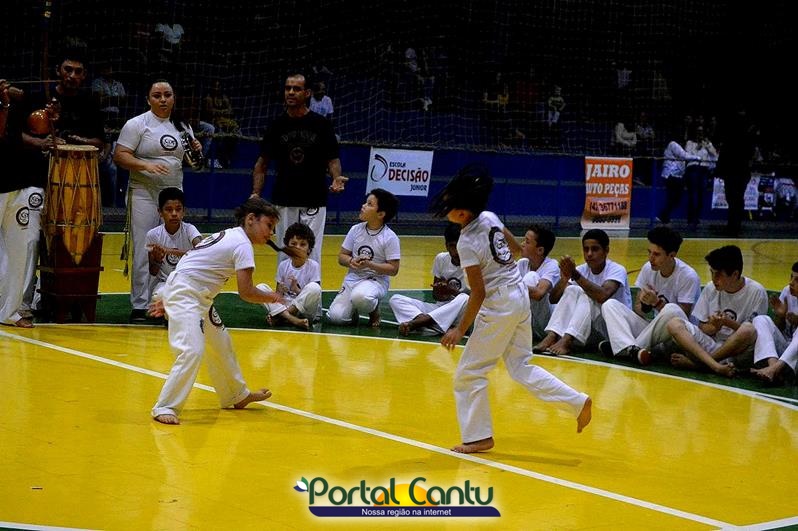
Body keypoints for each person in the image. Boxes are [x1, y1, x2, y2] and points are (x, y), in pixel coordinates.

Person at [430, 164, 591, 454]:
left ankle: (478, 437)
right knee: (520, 366)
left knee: (469, 373)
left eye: (449, 206)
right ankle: (577, 402)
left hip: (499, 304)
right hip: (518, 294)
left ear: (462, 213)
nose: (446, 210)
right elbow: (517, 249)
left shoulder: (466, 242)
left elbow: (478, 292)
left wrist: (459, 329)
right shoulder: (490, 217)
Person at [147, 197, 285, 425]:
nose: (271, 233)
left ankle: (236, 395)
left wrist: (170, 294)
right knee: (192, 350)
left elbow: (192, 258)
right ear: (251, 219)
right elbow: (246, 292)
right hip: (188, 295)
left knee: (221, 344)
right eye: (269, 225)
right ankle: (165, 406)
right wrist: (273, 297)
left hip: (194, 295)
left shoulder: (231, 235)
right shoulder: (242, 245)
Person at [20, 51, 106, 320]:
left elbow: (100, 142)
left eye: (78, 72)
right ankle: (23, 301)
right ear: (58, 70)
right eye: (68, 69)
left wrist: (77, 140)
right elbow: (16, 134)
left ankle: (65, 298)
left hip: (74, 190)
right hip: (35, 180)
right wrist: (41, 143)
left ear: (84, 75)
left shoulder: (90, 103)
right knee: (30, 241)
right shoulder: (38, 97)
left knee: (68, 245)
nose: (72, 75)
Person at [114, 79, 203, 322]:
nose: (163, 99)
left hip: (173, 195)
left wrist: (197, 150)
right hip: (143, 192)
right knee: (145, 247)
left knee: (173, 248)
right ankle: (140, 305)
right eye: (157, 95)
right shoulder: (137, 124)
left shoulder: (182, 126)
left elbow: (195, 163)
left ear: (174, 98)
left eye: (167, 95)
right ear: (148, 99)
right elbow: (119, 155)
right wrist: (145, 165)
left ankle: (167, 301)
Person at [250, 73, 347, 268]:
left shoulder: (321, 124)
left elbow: (333, 159)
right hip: (284, 197)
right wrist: (256, 193)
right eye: (288, 88)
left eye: (296, 89)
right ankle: (284, 288)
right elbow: (262, 164)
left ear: (307, 93)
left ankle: (311, 288)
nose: (291, 92)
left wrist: (336, 178)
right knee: (285, 251)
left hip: (314, 197)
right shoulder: (277, 125)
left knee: (312, 252)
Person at [599, 226, 701, 364]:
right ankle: (631, 349)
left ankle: (625, 347)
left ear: (671, 255)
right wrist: (645, 304)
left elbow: (683, 317)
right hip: (654, 333)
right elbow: (638, 310)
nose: (651, 258)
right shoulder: (648, 268)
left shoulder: (688, 276)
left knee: (672, 309)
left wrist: (656, 303)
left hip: (680, 338)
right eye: (649, 252)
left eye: (657, 254)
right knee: (610, 305)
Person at [666, 245, 767, 377]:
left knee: (748, 329)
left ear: (735, 274)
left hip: (739, 352)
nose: (714, 279)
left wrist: (728, 322)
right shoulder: (710, 288)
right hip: (713, 346)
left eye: (719, 274)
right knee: (674, 323)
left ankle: (699, 365)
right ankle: (714, 366)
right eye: (712, 272)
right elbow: (702, 328)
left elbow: (754, 335)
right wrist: (714, 327)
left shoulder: (757, 292)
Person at [534, 229, 632, 356]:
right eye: (586, 249)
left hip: (612, 331)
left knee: (587, 294)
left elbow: (602, 296)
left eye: (595, 249)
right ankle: (553, 335)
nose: (589, 254)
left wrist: (575, 275)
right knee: (572, 289)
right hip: (588, 330)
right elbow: (553, 299)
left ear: (606, 250)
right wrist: (564, 280)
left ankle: (567, 340)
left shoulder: (617, 269)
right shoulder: (581, 269)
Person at [327, 188, 400, 327]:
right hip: (353, 278)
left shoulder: (390, 237)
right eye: (366, 202)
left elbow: (393, 269)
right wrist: (350, 261)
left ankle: (373, 310)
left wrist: (370, 265)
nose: (363, 206)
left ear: (381, 214)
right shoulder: (355, 230)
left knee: (361, 296)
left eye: (369, 204)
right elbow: (341, 257)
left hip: (376, 281)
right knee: (336, 318)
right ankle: (352, 311)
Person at [0, 78, 39, 328]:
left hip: (18, 185)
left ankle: (10, 312)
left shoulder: (13, 106)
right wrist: (4, 104)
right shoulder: (4, 108)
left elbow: (38, 125)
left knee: (18, 251)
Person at [390, 222, 469, 336]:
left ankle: (421, 323)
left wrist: (452, 291)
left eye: (459, 246)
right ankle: (429, 323)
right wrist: (441, 291)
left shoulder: (474, 263)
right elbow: (436, 296)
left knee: (465, 298)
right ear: (446, 246)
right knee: (396, 299)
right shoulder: (441, 259)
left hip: (462, 314)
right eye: (452, 246)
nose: (456, 251)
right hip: (440, 309)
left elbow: (476, 300)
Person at [256, 222, 322, 330]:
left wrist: (296, 290)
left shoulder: (313, 266)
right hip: (284, 305)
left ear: (309, 250)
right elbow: (278, 295)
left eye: (302, 244)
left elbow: (313, 296)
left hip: (304, 311)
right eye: (293, 244)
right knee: (260, 288)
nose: (298, 248)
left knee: (315, 288)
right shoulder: (283, 265)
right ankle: (293, 320)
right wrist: (281, 291)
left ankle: (281, 317)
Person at [145, 187, 203, 298]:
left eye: (178, 209)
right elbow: (153, 272)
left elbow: (203, 251)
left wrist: (168, 251)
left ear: (184, 211)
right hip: (165, 283)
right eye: (169, 209)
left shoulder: (190, 229)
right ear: (160, 212)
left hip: (189, 281)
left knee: (203, 293)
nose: (174, 213)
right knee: (158, 296)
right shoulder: (152, 235)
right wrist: (157, 260)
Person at [750, 261, 798, 384]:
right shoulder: (788, 291)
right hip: (784, 353)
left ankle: (773, 370)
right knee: (760, 319)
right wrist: (780, 316)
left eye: (797, 280)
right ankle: (773, 367)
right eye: (791, 277)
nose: (791, 283)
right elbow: (779, 328)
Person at [715, 107, 756, 235]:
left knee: (735, 198)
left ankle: (735, 225)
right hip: (734, 171)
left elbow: (750, 154)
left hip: (738, 171)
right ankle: (734, 224)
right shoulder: (732, 137)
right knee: (733, 198)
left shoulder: (746, 138)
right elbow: (724, 153)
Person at [92, 63, 128, 207]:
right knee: (109, 169)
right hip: (103, 118)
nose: (108, 70)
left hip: (116, 120)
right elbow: (98, 101)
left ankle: (114, 203)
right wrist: (112, 99)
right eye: (105, 68)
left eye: (110, 68)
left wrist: (108, 98)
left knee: (115, 169)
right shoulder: (97, 83)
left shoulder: (119, 84)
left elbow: (123, 101)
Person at [516, 224, 560, 339]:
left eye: (527, 242)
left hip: (545, 324)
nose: (522, 244)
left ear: (540, 250)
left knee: (531, 277)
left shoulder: (552, 266)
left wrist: (511, 286)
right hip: (528, 322)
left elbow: (539, 293)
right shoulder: (522, 263)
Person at [657, 138, 701, 224]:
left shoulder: (679, 145)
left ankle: (664, 216)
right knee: (673, 198)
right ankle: (663, 216)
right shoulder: (673, 144)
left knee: (676, 198)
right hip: (671, 175)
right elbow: (683, 155)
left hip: (677, 176)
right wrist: (697, 158)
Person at [201, 80, 240, 169]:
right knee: (219, 133)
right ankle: (215, 159)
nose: (216, 89)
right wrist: (223, 112)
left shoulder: (224, 98)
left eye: (218, 86)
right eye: (215, 86)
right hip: (211, 121)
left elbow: (231, 111)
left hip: (223, 121)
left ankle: (227, 157)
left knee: (235, 132)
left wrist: (219, 112)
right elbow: (211, 112)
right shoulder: (208, 98)